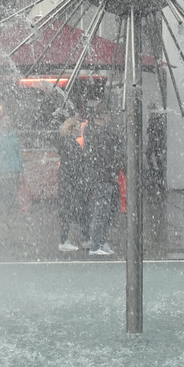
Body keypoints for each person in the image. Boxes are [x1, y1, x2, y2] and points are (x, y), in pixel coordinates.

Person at [83, 104, 121, 256]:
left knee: (107, 211)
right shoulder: (99, 134)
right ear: (103, 115)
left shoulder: (99, 132)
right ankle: (95, 245)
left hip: (106, 176)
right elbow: (103, 157)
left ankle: (101, 242)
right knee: (101, 212)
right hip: (102, 177)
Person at [55, 111, 89, 252]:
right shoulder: (71, 145)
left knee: (71, 212)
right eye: (77, 127)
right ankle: (79, 239)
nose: (79, 130)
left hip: (69, 184)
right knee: (77, 211)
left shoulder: (67, 143)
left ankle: (80, 238)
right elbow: (75, 166)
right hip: (72, 184)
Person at [0, 107, 25, 212]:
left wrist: (21, 169)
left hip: (13, 169)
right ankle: (0, 211)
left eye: (8, 120)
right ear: (0, 121)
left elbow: (18, 153)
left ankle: (10, 211)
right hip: (1, 170)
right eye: (5, 120)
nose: (7, 122)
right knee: (1, 191)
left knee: (12, 192)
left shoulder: (13, 136)